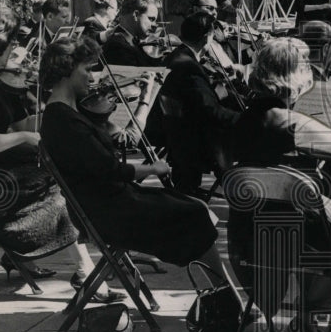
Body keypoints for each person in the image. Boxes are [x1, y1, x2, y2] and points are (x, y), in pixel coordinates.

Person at [38, 37, 236, 285]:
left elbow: (120, 142)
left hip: (113, 202)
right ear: (67, 69)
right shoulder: (63, 120)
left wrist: (146, 95)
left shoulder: (70, 112)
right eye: (87, 69)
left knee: (196, 210)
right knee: (194, 213)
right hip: (110, 213)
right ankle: (224, 293)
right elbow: (111, 169)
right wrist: (154, 167)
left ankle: (224, 292)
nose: (92, 78)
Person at [229, 37, 331, 332]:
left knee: (324, 202)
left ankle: (309, 309)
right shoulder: (287, 121)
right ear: (295, 78)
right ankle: (315, 308)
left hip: (250, 230)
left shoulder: (244, 117)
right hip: (297, 233)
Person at [0, 8, 102, 290]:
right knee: (62, 187)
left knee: (64, 174)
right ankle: (85, 270)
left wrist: (62, 105)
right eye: (13, 38)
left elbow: (23, 123)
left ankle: (69, 265)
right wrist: (23, 139)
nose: (17, 46)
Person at [144, 11, 242, 195]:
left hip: (179, 133)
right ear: (207, 37)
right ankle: (241, 191)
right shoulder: (188, 66)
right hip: (193, 140)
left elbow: (197, 96)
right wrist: (244, 118)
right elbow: (210, 111)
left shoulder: (177, 56)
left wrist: (215, 84)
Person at [101, 0, 166, 67]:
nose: (154, 25)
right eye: (151, 19)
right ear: (136, 15)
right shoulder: (118, 46)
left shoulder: (129, 40)